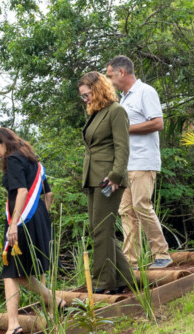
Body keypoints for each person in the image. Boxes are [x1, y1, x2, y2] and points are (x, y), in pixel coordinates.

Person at [0, 127, 62, 334]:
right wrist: (41, 216)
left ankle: (17, 323)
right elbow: (48, 194)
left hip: (20, 220)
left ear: (4, 143)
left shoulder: (13, 160)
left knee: (12, 271)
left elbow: (21, 191)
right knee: (25, 269)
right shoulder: (33, 160)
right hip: (37, 217)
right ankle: (46, 307)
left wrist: (14, 225)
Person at [106, 55, 172, 269]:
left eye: (110, 76)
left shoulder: (146, 91)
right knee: (126, 212)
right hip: (125, 164)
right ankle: (131, 263)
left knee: (141, 206)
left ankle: (162, 254)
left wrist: (124, 129)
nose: (109, 81)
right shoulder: (123, 99)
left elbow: (158, 123)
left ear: (121, 73)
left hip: (143, 161)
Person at [78, 71, 134, 294]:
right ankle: (124, 278)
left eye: (87, 94)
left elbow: (122, 146)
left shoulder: (116, 111)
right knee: (100, 229)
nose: (86, 100)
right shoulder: (96, 113)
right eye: (83, 97)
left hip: (109, 178)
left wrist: (116, 176)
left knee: (101, 229)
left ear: (99, 89)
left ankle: (103, 282)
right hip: (93, 177)